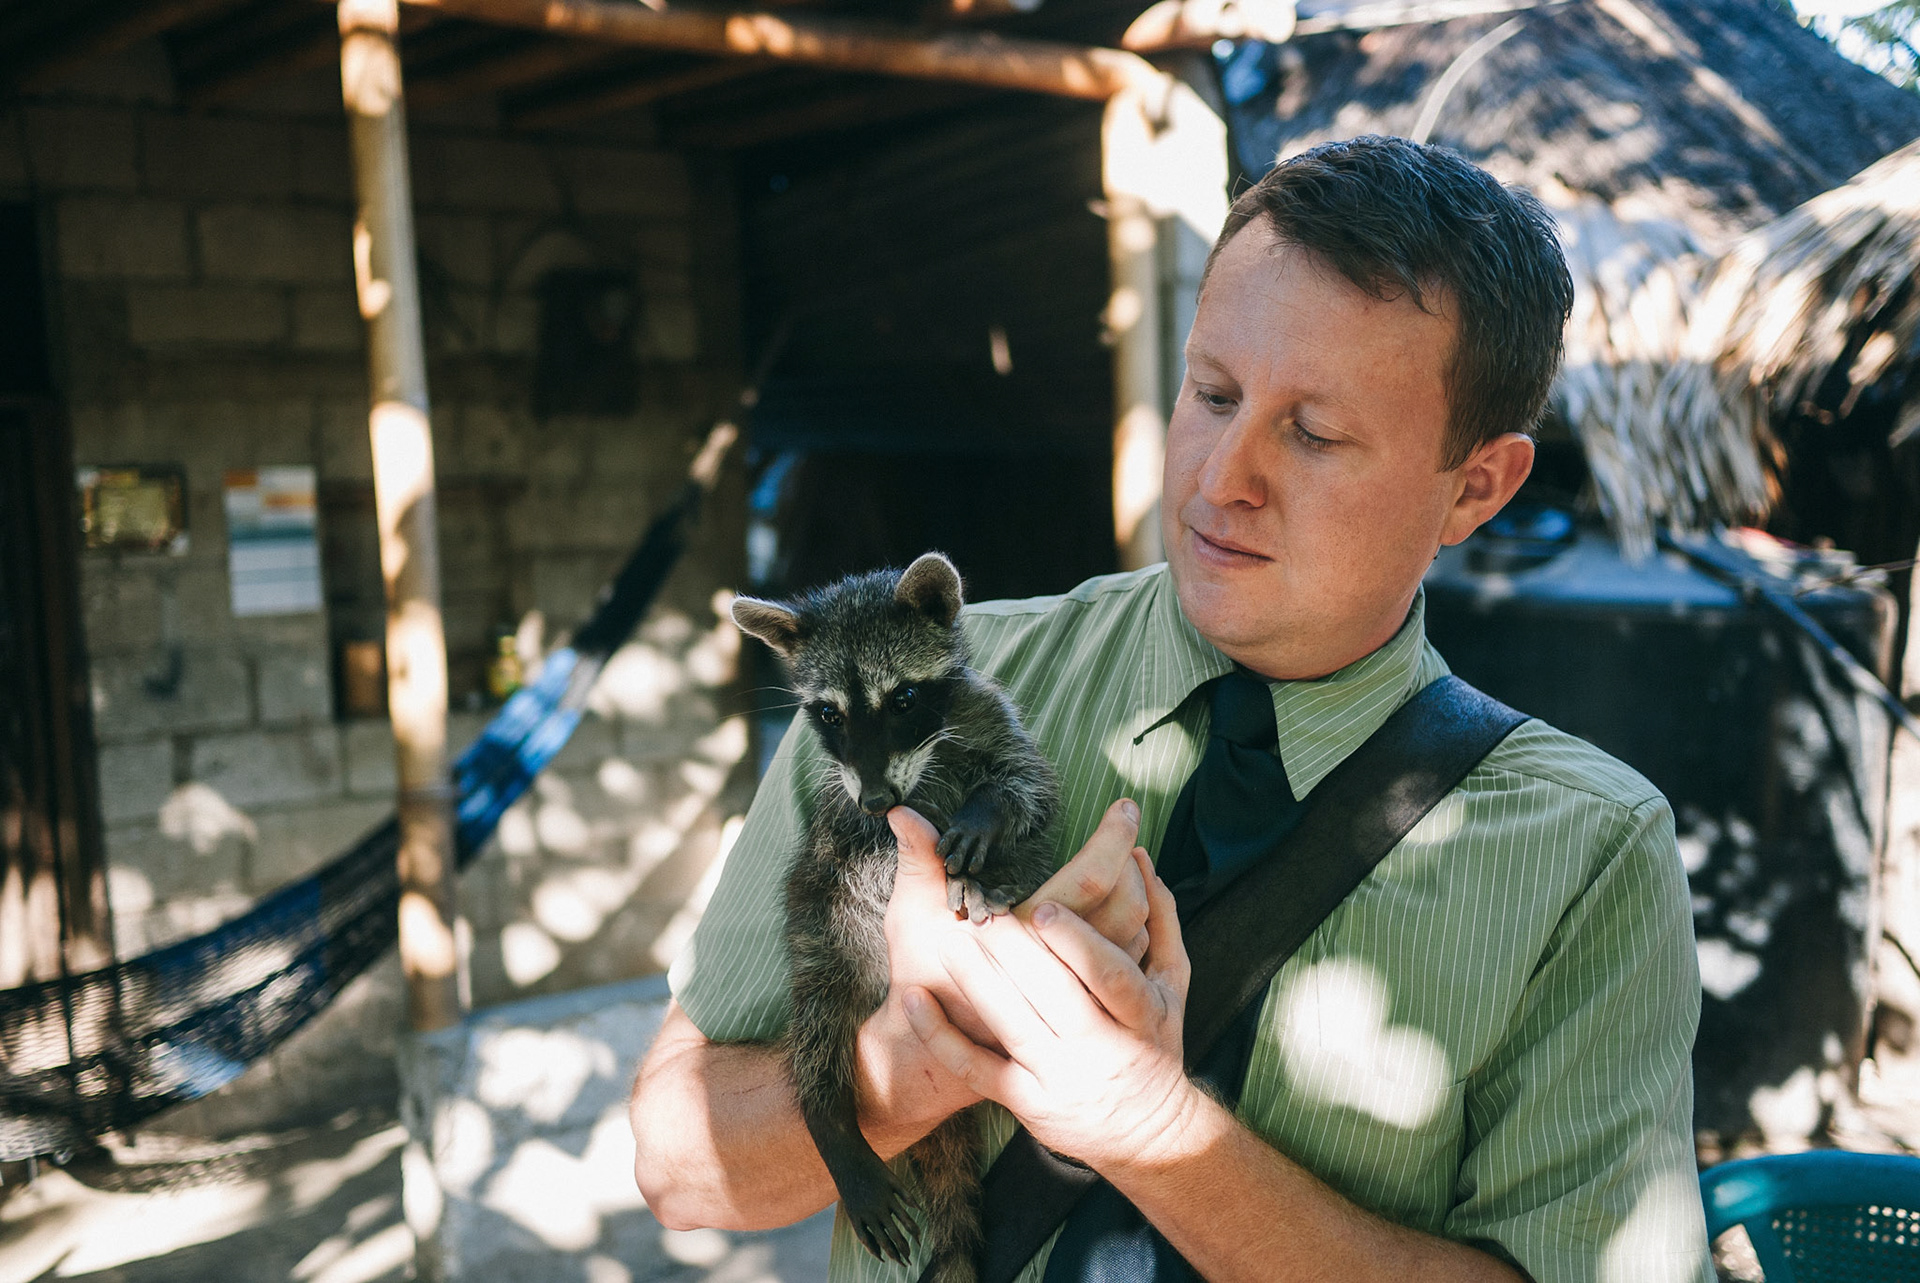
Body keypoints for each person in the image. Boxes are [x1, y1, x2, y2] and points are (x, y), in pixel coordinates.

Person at [630, 136, 1711, 1283]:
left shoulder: (1592, 857)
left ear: (1477, 485)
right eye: (1212, 392)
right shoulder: (900, 704)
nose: (1218, 478)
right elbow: (681, 1167)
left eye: (1314, 432)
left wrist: (1152, 1130)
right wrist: (925, 1058)